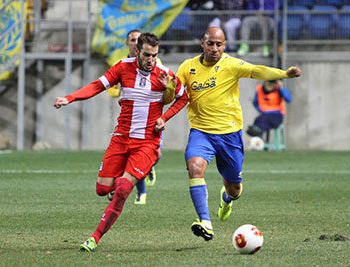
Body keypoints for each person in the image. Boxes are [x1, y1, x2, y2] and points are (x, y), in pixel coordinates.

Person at [54, 33, 188, 252]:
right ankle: (124, 181)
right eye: (146, 55)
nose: (151, 60)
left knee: (124, 188)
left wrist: (165, 117)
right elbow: (97, 86)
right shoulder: (122, 67)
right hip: (121, 138)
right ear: (137, 51)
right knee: (102, 189)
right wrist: (70, 98)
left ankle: (95, 237)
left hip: (147, 143)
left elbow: (183, 97)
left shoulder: (165, 74)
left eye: (154, 55)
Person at [176, 27, 301, 241]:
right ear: (202, 43)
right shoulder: (187, 67)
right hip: (201, 132)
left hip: (229, 135)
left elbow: (258, 70)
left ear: (224, 45)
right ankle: (205, 222)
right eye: (211, 44)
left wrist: (284, 74)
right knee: (195, 168)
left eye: (219, 44)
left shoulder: (231, 65)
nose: (215, 48)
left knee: (234, 188)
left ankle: (226, 200)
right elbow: (175, 91)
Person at [106, 29, 166, 205]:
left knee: (154, 155)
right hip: (131, 118)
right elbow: (111, 90)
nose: (135, 42)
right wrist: (121, 90)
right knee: (132, 159)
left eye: (137, 39)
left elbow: (166, 88)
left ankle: (148, 170)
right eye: (132, 39)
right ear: (129, 43)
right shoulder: (122, 65)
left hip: (152, 121)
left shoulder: (154, 61)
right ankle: (140, 193)